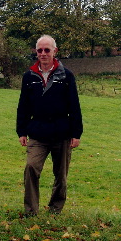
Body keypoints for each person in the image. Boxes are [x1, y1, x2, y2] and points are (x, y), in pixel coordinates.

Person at [16, 35, 83, 216]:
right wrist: (21, 131)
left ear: (55, 51)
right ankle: (31, 211)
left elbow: (74, 105)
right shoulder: (29, 76)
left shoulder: (66, 76)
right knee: (31, 167)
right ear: (36, 52)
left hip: (62, 133)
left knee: (60, 176)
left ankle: (55, 209)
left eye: (47, 50)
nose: (43, 53)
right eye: (40, 50)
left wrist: (76, 134)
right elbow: (23, 105)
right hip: (37, 133)